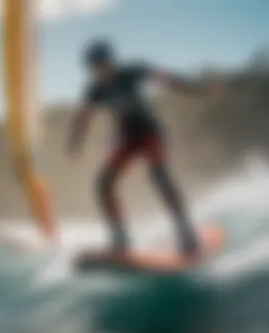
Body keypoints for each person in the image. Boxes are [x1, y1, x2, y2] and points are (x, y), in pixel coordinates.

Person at [67, 38, 203, 256]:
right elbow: (83, 118)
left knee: (160, 177)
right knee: (103, 184)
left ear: (110, 61)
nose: (97, 70)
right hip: (126, 140)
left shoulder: (130, 73)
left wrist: (190, 86)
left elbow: (163, 77)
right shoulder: (94, 89)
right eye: (92, 66)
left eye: (100, 63)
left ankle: (186, 231)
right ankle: (121, 238)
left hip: (149, 133)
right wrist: (75, 143)